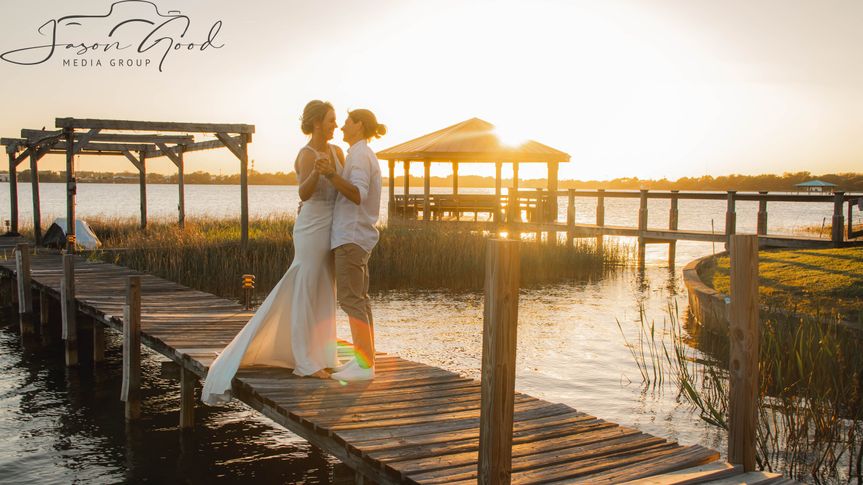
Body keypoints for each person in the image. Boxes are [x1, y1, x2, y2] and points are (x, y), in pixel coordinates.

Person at [201, 100, 344, 405]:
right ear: (317, 123)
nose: (335, 125)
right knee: (306, 285)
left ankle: (324, 354)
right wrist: (319, 173)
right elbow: (304, 192)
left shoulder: (338, 152)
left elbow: (343, 187)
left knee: (324, 287)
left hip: (332, 226)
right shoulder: (307, 154)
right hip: (311, 227)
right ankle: (306, 361)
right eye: (331, 120)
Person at [315, 109, 385, 382]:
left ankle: (365, 367)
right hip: (356, 236)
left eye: (347, 122)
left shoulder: (359, 155)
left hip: (351, 237)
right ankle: (364, 360)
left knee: (351, 299)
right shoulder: (361, 154)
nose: (343, 126)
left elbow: (357, 194)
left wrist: (332, 174)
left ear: (359, 125)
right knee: (360, 300)